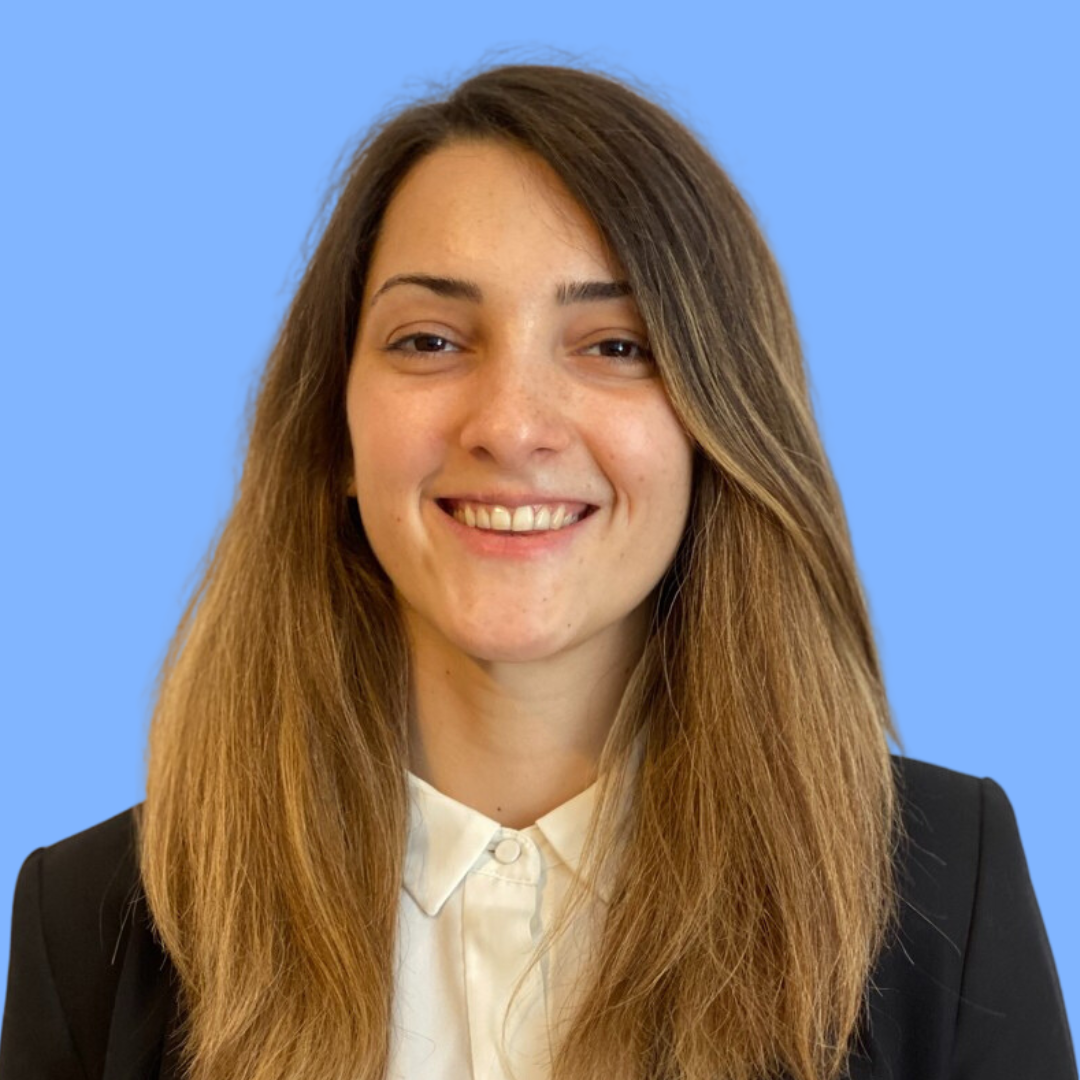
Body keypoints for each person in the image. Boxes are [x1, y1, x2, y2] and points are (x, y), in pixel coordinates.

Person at [0, 62, 1075, 1080]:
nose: (512, 425)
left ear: (718, 425)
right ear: (334, 427)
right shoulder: (96, 922)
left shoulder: (942, 886)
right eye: (428, 341)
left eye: (613, 346)